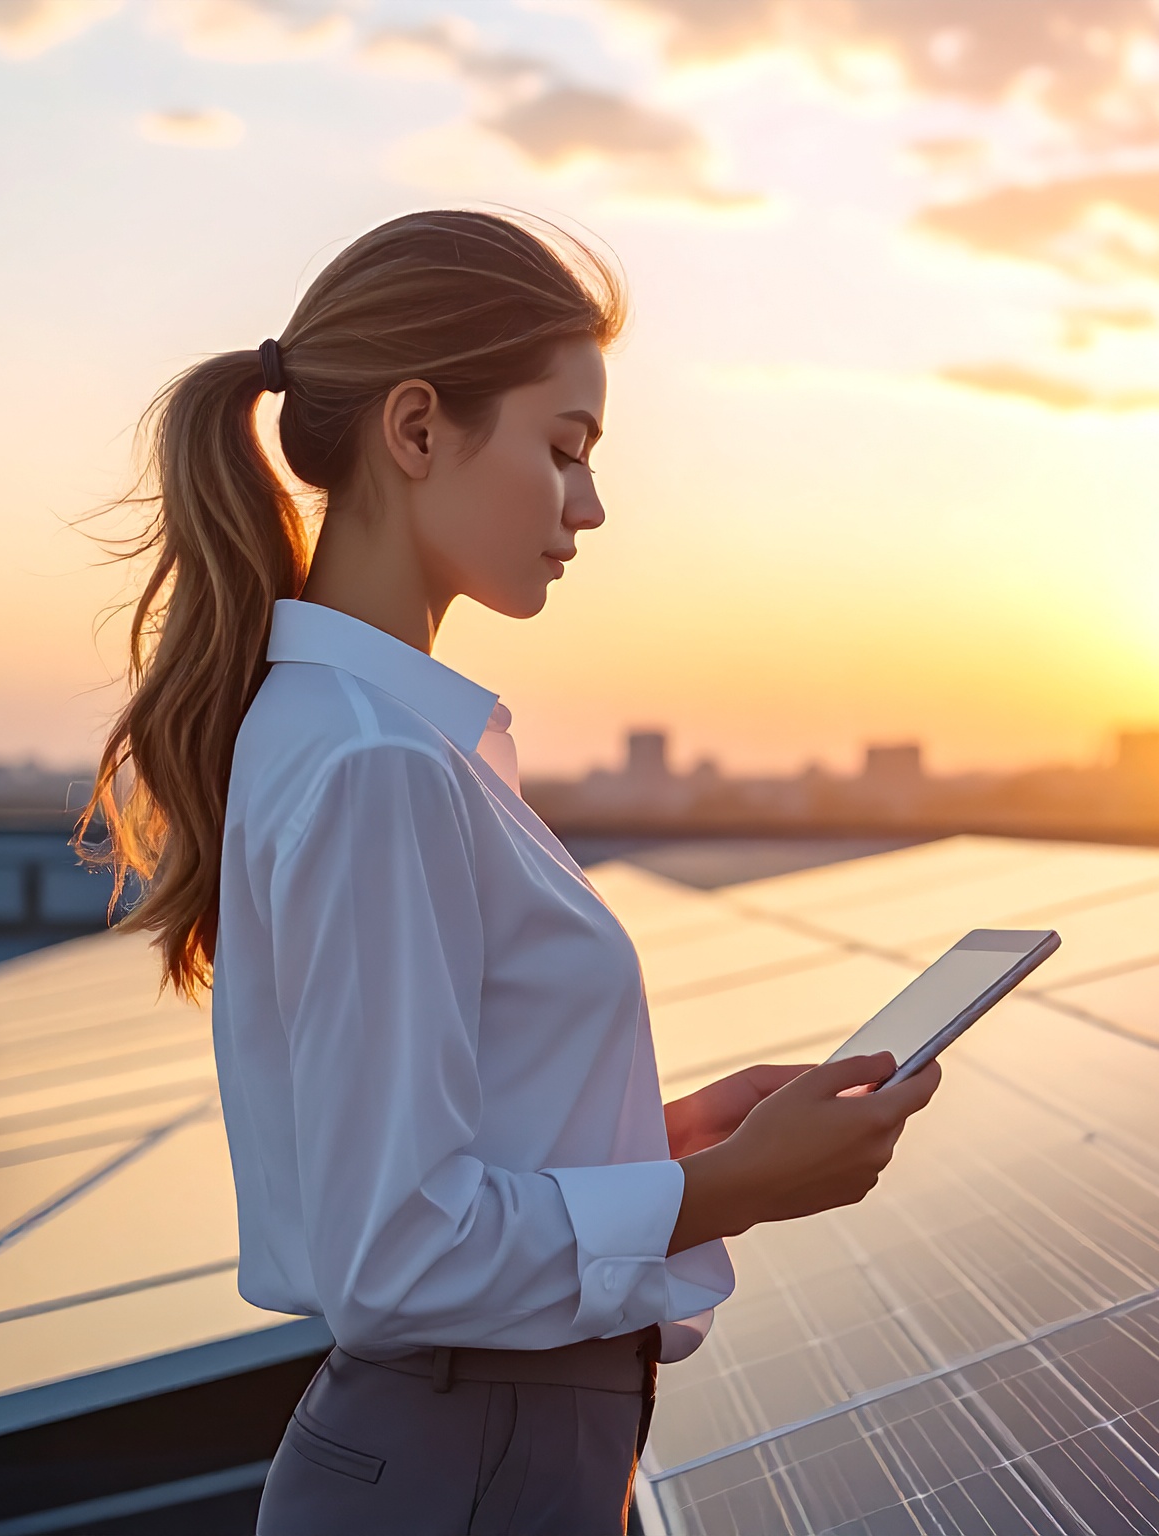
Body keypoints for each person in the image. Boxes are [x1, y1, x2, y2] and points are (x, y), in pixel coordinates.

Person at [83, 209, 942, 1534]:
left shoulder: (382, 739)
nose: (588, 507)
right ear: (417, 430)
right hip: (463, 1463)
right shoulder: (382, 765)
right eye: (564, 450)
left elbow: (430, 1173)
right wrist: (733, 1191)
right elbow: (397, 1255)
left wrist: (672, 1143)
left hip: (478, 1453)